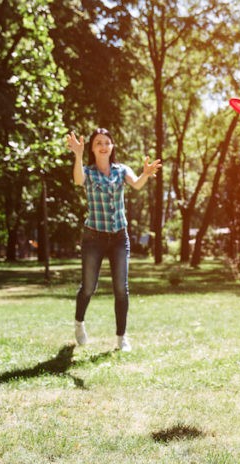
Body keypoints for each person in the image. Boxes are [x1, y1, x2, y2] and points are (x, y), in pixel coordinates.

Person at [66, 128, 161, 352]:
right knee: (89, 286)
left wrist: (145, 174)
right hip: (93, 238)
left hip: (119, 237)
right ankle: (79, 322)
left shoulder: (121, 170)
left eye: (107, 142)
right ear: (92, 148)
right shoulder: (88, 172)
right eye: (98, 142)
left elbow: (136, 184)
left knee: (121, 287)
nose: (103, 145)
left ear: (112, 147)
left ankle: (121, 337)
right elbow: (78, 181)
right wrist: (77, 155)